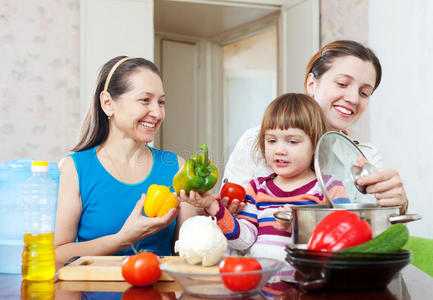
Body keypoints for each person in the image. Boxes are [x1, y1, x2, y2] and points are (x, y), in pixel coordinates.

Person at [222, 40, 408, 214]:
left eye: (364, 92)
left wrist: (400, 204)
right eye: (342, 83)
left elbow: (377, 229)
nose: (353, 98)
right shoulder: (255, 141)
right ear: (312, 83)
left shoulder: (365, 158)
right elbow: (229, 217)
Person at [54, 56, 197, 265]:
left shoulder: (177, 167)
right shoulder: (74, 169)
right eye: (145, 100)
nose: (157, 112)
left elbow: (189, 256)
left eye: (161, 102)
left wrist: (212, 212)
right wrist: (122, 239)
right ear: (108, 103)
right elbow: (57, 254)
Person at [176, 93, 348, 262]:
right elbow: (243, 241)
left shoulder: (329, 187)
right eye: (272, 141)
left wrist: (300, 225)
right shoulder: (257, 188)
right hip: (264, 287)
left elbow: (345, 235)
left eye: (292, 141)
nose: (279, 150)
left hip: (309, 286)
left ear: (316, 145)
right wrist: (213, 206)